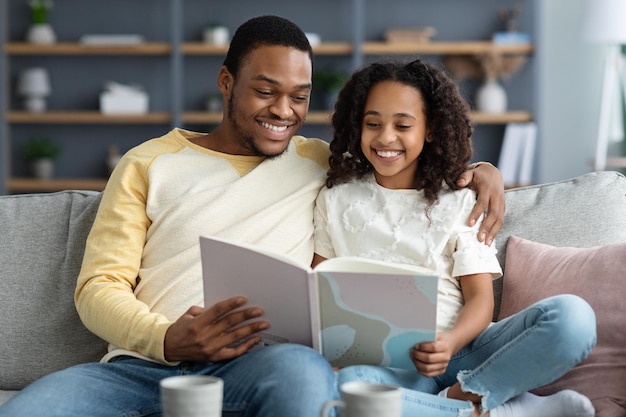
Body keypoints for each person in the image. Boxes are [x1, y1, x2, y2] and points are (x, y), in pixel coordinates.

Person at [0, 16, 505, 417]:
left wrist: (482, 170)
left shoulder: (318, 161)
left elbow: (403, 160)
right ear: (227, 82)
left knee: (305, 374)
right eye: (265, 91)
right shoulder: (147, 163)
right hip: (141, 365)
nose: (283, 111)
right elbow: (98, 287)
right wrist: (167, 337)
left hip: (261, 364)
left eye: (299, 97)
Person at [312, 59, 597, 417]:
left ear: (430, 130)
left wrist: (449, 342)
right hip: (386, 368)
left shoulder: (462, 198)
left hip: (464, 352)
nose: (385, 137)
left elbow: (479, 299)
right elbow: (318, 289)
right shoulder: (335, 198)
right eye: (372, 124)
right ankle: (491, 411)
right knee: (342, 389)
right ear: (358, 126)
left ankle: (465, 396)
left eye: (403, 125)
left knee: (573, 318)